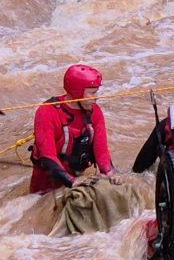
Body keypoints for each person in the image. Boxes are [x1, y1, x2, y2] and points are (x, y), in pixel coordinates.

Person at [29, 64, 119, 194]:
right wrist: (72, 181)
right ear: (77, 92)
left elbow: (102, 151)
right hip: (46, 185)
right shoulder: (46, 112)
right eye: (92, 93)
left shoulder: (95, 112)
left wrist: (110, 173)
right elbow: (47, 156)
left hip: (76, 178)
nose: (96, 97)